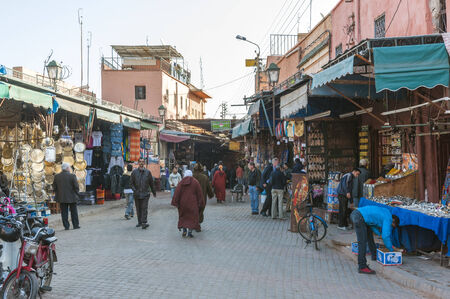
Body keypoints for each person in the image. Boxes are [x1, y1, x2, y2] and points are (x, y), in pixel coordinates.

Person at [350, 206, 400, 274]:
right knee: (362, 242)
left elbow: (372, 224)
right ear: (393, 222)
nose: (390, 227)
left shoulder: (386, 212)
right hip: (359, 217)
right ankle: (362, 266)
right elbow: (385, 236)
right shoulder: (389, 219)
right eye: (392, 226)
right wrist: (391, 249)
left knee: (369, 237)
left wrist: (379, 234)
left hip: (359, 214)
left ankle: (374, 255)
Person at [171, 170, 205, 238]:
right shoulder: (195, 182)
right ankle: (190, 232)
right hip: (193, 204)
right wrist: (201, 203)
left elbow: (177, 192)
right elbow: (199, 193)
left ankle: (184, 230)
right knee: (192, 218)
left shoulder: (181, 182)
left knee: (183, 217)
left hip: (182, 204)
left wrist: (175, 202)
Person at [130, 158, 156, 229]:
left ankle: (144, 222)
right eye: (140, 162)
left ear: (144, 163)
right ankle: (139, 222)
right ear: (138, 163)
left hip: (145, 194)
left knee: (144, 208)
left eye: (142, 162)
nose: (141, 163)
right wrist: (134, 190)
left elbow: (151, 183)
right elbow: (131, 183)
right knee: (138, 208)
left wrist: (154, 192)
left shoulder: (148, 172)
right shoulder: (134, 172)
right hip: (137, 194)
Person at [53, 162, 80, 230]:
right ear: (67, 168)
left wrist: (58, 193)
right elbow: (76, 186)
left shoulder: (57, 176)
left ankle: (66, 226)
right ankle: (75, 225)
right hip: (72, 197)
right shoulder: (72, 176)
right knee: (74, 212)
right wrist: (77, 194)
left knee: (64, 212)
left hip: (62, 197)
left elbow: (54, 187)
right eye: (69, 167)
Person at [193, 164, 214, 228]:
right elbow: (209, 188)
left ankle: (194, 223)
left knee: (194, 210)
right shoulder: (204, 177)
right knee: (200, 211)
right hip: (202, 197)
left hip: (193, 197)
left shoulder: (192, 177)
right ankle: (198, 224)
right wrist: (211, 195)